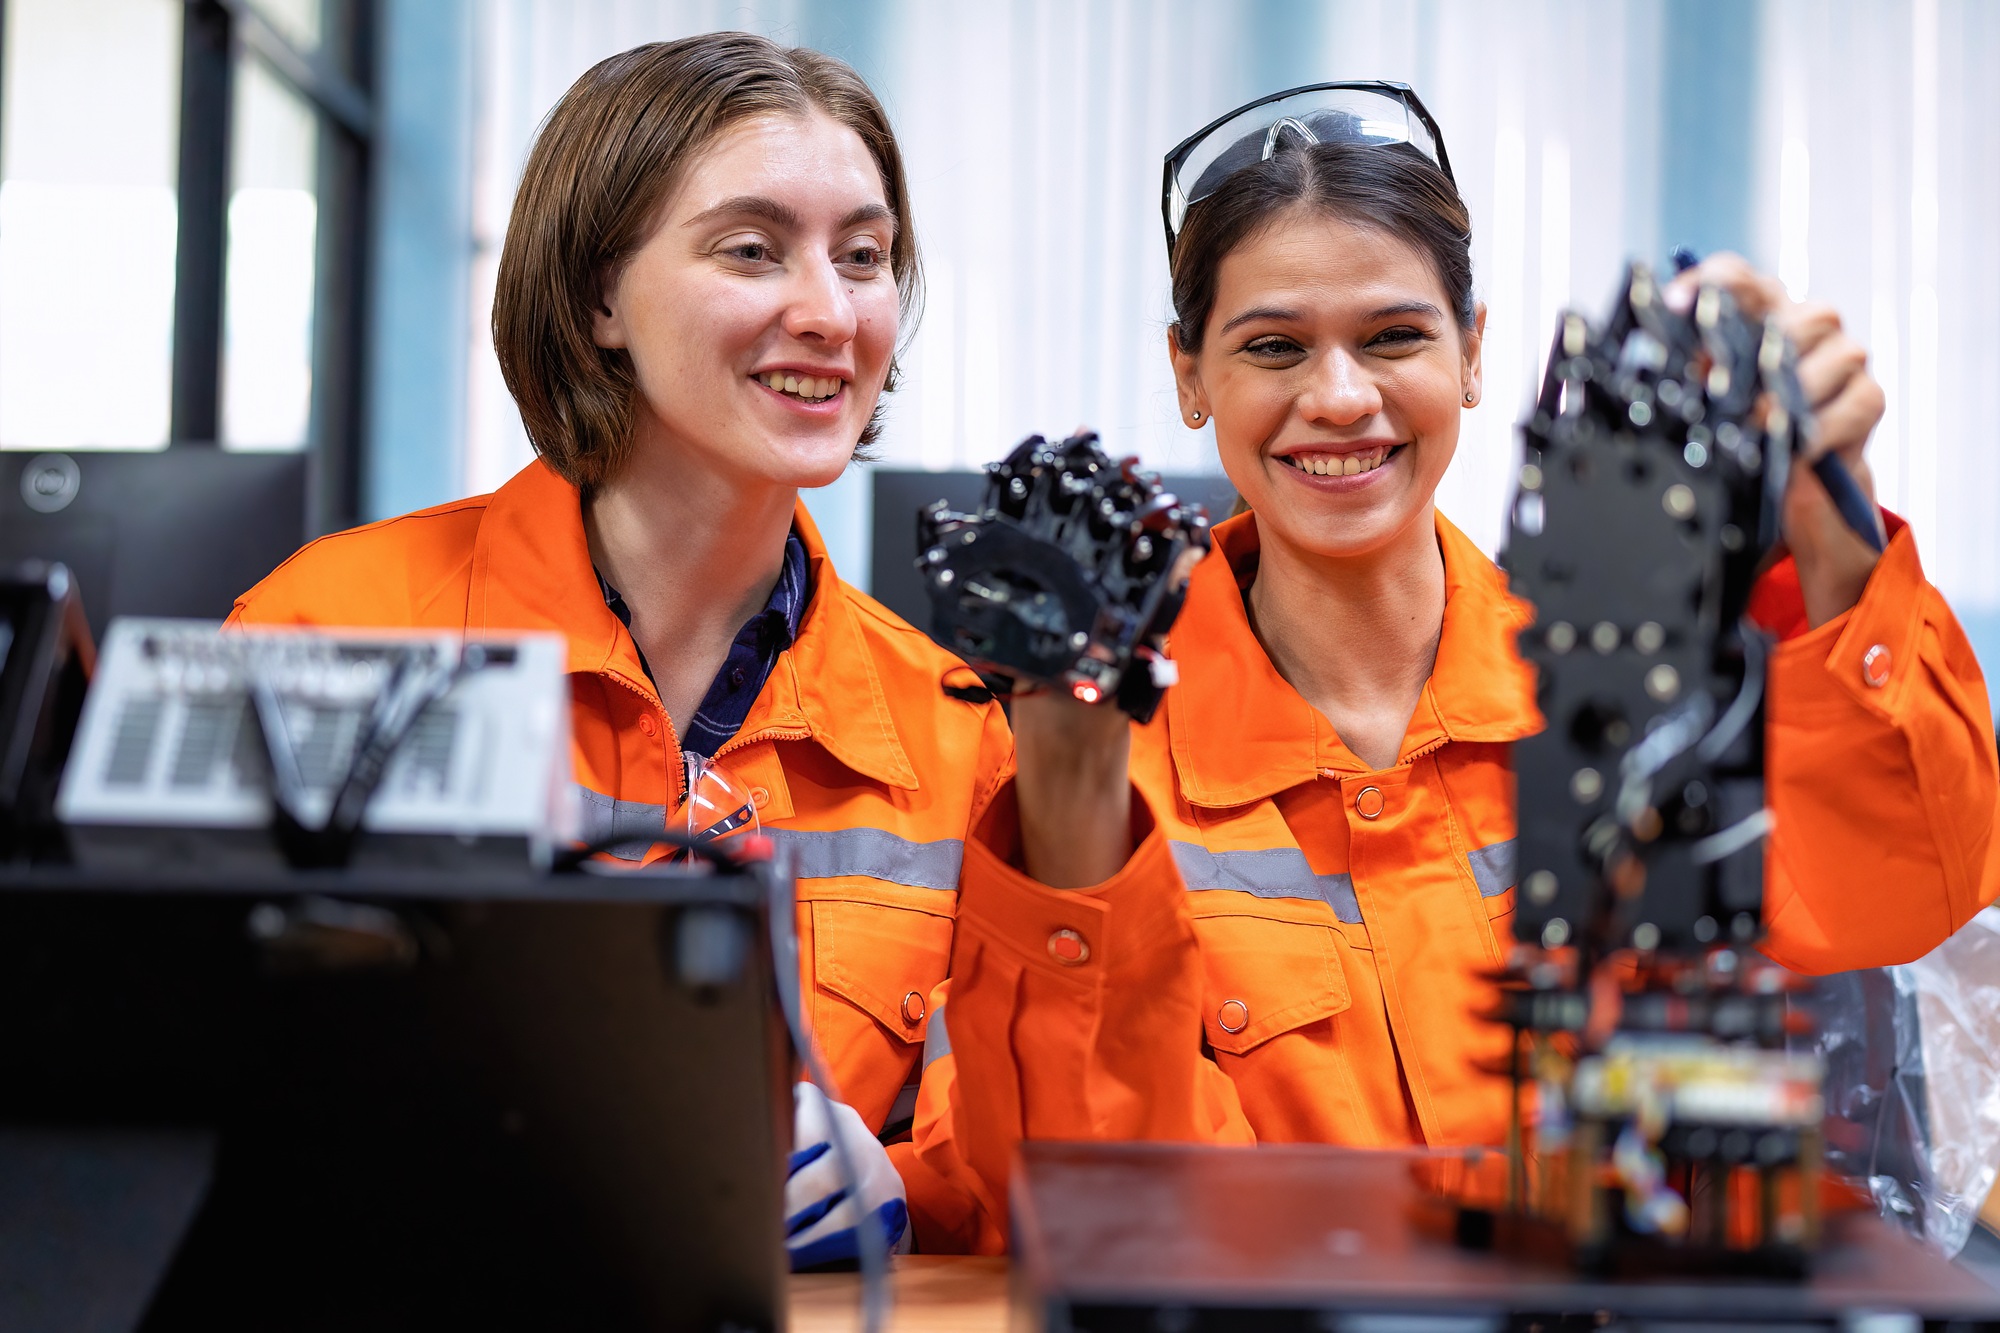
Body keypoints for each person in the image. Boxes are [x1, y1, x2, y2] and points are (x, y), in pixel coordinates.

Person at [895, 82, 2000, 1254]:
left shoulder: (1639, 695)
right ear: (1187, 374)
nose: (1337, 398)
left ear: (1472, 351)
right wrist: (1071, 804)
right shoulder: (1084, 759)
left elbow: (1907, 897)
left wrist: (1828, 537)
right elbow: (1075, 1186)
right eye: (1272, 346)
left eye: (1394, 336)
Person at [227, 32, 1030, 1266]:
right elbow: (181, 1080)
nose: (827, 311)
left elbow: (1007, 1158)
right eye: (751, 249)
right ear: (598, 297)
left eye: (862, 257)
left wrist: (905, 1182)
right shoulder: (329, 628)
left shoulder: (953, 729)